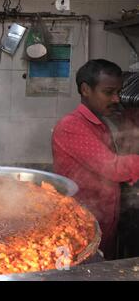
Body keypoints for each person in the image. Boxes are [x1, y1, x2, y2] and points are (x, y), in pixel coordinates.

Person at [52, 59, 139, 259]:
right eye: (109, 92)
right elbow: (113, 167)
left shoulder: (101, 121)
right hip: (80, 226)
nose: (116, 99)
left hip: (102, 220)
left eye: (118, 92)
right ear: (85, 90)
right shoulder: (71, 126)